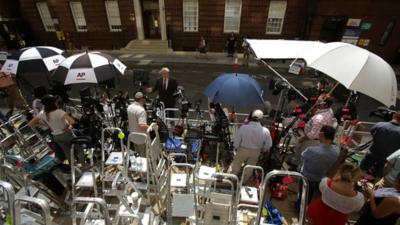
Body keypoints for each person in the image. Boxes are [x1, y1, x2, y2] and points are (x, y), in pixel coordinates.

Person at [28, 95, 76, 163]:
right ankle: (82, 164)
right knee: (77, 147)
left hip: (56, 136)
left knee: (66, 151)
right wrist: (67, 126)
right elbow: (72, 121)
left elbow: (30, 124)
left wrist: (43, 124)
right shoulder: (58, 111)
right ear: (53, 103)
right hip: (66, 134)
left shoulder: (42, 113)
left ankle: (72, 165)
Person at [299, 125, 340, 204]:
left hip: (307, 178)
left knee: (303, 199)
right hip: (322, 178)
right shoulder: (336, 150)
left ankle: (300, 208)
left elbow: (302, 158)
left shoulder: (312, 150)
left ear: (321, 134)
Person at [289, 97, 335, 166]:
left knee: (302, 156)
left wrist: (301, 139)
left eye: (321, 103)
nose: (319, 104)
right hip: (316, 137)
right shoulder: (329, 110)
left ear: (326, 105)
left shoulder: (319, 119)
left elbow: (312, 135)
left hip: (311, 140)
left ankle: (297, 168)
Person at [230, 109, 272, 183]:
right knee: (249, 168)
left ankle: (232, 180)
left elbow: (236, 141)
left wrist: (236, 147)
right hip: (256, 152)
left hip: (243, 150)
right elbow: (268, 145)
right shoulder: (265, 131)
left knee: (236, 166)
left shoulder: (244, 128)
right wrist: (264, 150)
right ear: (261, 119)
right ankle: (242, 182)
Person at [360, 111, 400, 178]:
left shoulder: (379, 125)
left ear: (394, 116)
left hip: (372, 153)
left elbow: (372, 132)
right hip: (386, 159)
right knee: (378, 176)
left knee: (361, 170)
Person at [127, 91, 149, 157]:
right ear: (141, 99)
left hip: (133, 136)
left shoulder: (129, 107)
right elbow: (141, 125)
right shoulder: (141, 110)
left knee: (138, 155)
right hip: (141, 138)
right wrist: (151, 127)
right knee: (143, 156)